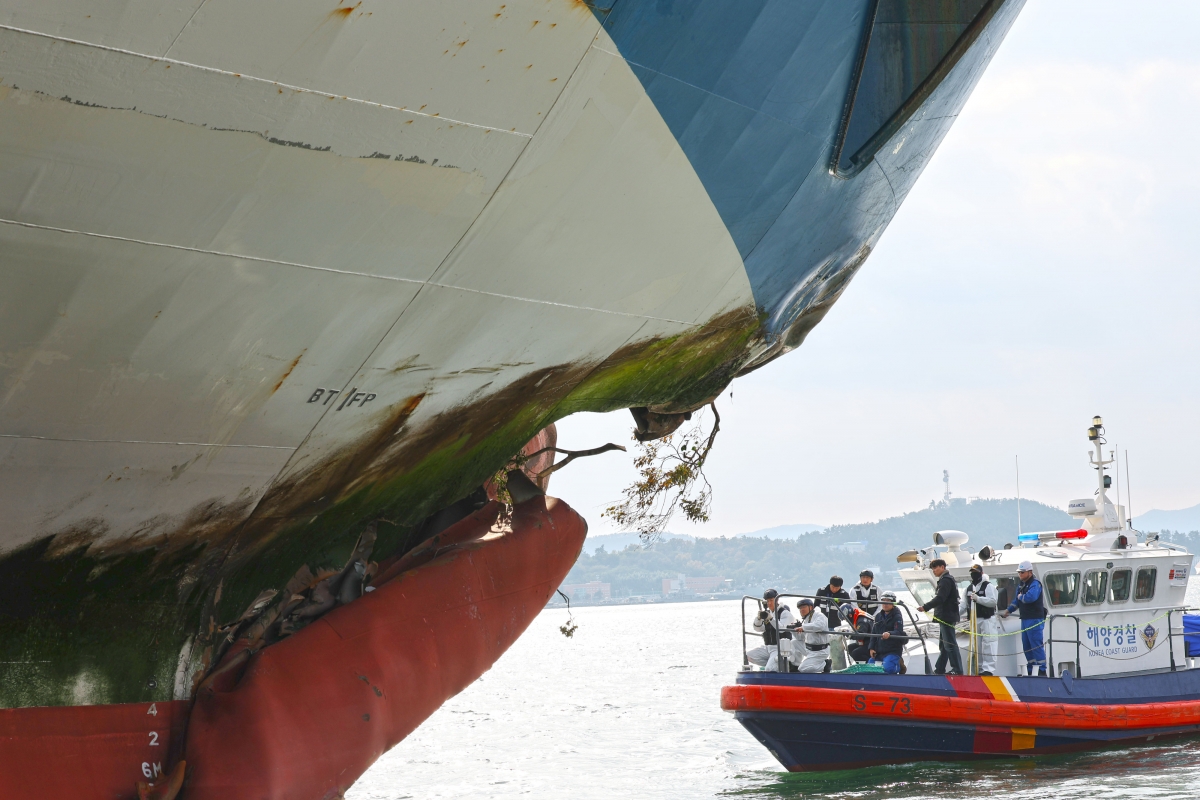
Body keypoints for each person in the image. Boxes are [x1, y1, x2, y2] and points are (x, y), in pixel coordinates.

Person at [1000, 561, 1047, 676]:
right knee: (1026, 645)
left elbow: (1031, 597)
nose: (1020, 574)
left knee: (1036, 644)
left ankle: (1042, 670)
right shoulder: (1021, 585)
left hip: (1035, 619)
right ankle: (1031, 669)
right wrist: (1008, 610)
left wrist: (1021, 596)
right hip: (1025, 619)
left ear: (1030, 572)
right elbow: (1016, 601)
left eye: (1022, 572)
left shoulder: (1035, 584)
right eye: (1019, 572)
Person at [920, 559, 964, 675]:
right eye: (933, 568)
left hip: (947, 617)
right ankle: (939, 669)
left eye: (936, 568)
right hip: (947, 616)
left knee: (949, 644)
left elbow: (940, 598)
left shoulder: (945, 581)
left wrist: (925, 607)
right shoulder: (947, 580)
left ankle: (957, 670)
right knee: (944, 645)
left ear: (943, 567)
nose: (934, 571)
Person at [961, 564, 998, 676]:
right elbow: (963, 605)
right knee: (976, 645)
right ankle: (980, 668)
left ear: (981, 573)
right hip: (974, 620)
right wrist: (954, 616)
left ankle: (989, 669)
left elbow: (993, 601)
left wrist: (978, 599)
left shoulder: (988, 586)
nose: (974, 574)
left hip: (987, 619)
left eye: (976, 572)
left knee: (989, 643)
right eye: (972, 572)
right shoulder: (968, 589)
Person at [748, 589, 795, 671]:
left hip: (779, 648)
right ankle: (778, 664)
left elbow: (781, 629)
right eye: (767, 601)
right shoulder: (767, 613)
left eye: (771, 600)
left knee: (769, 669)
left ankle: (781, 664)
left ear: (777, 600)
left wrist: (771, 618)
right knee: (749, 656)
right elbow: (758, 629)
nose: (769, 603)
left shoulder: (785, 613)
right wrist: (758, 618)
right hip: (767, 647)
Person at [868, 591, 906, 674]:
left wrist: (890, 634)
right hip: (879, 652)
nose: (885, 604)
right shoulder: (878, 616)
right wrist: (871, 648)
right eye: (883, 601)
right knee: (868, 669)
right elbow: (874, 633)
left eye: (888, 602)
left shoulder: (897, 616)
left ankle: (899, 665)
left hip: (892, 651)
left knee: (888, 669)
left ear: (893, 603)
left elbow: (899, 631)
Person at [791, 597, 831, 673]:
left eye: (804, 607)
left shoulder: (819, 615)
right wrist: (793, 629)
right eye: (800, 608)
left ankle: (824, 664)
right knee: (794, 643)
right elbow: (801, 638)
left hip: (820, 651)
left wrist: (803, 627)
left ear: (811, 607)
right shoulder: (806, 620)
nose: (802, 610)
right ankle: (795, 666)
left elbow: (819, 626)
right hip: (809, 649)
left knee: (803, 669)